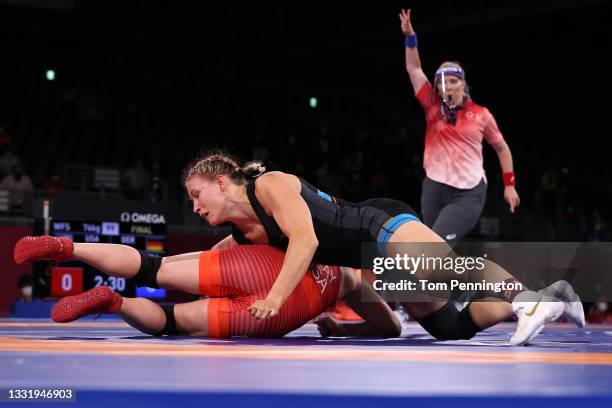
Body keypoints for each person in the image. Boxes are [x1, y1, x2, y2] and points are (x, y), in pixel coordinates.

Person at [181, 151, 583, 346]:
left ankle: (527, 299)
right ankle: (551, 293)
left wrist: (274, 298)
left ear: (221, 182)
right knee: (449, 328)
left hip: (377, 224)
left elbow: (306, 241)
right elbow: (213, 261)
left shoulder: (269, 185)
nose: (195, 207)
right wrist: (341, 328)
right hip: (366, 257)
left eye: (197, 195)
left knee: (441, 268)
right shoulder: (246, 234)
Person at [13, 235, 401, 339]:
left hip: (258, 264)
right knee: (172, 320)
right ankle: (116, 303)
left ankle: (68, 247)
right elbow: (391, 327)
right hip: (281, 309)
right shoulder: (348, 280)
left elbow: (246, 234)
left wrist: (221, 254)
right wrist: (339, 327)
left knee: (155, 268)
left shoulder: (315, 228)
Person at [399, 9, 521, 247]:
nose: (448, 87)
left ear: (464, 84)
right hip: (434, 186)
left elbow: (502, 148)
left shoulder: (482, 114)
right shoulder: (432, 105)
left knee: (434, 248)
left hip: (469, 191)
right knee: (433, 250)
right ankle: (450, 285)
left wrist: (510, 185)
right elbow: (414, 69)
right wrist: (410, 38)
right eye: (443, 83)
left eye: (454, 81)